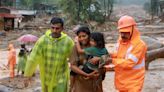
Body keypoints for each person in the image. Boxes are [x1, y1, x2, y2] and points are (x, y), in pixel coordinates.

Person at [24, 17, 74, 92]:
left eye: (57, 28)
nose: (54, 30)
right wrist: (27, 75)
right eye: (52, 28)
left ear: (62, 28)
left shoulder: (68, 42)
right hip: (47, 77)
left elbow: (74, 58)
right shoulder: (43, 40)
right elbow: (33, 58)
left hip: (61, 78)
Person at [107, 15, 147, 92]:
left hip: (134, 83)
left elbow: (130, 63)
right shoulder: (120, 41)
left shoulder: (139, 45)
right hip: (121, 81)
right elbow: (118, 54)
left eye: (125, 32)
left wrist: (112, 60)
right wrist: (109, 55)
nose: (122, 35)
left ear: (133, 29)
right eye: (121, 32)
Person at [70, 26, 106, 92]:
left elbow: (107, 58)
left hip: (96, 81)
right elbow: (72, 66)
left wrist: (99, 59)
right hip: (81, 82)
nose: (82, 39)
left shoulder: (95, 46)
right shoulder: (75, 48)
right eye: (80, 37)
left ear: (89, 35)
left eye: (84, 36)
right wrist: (87, 75)